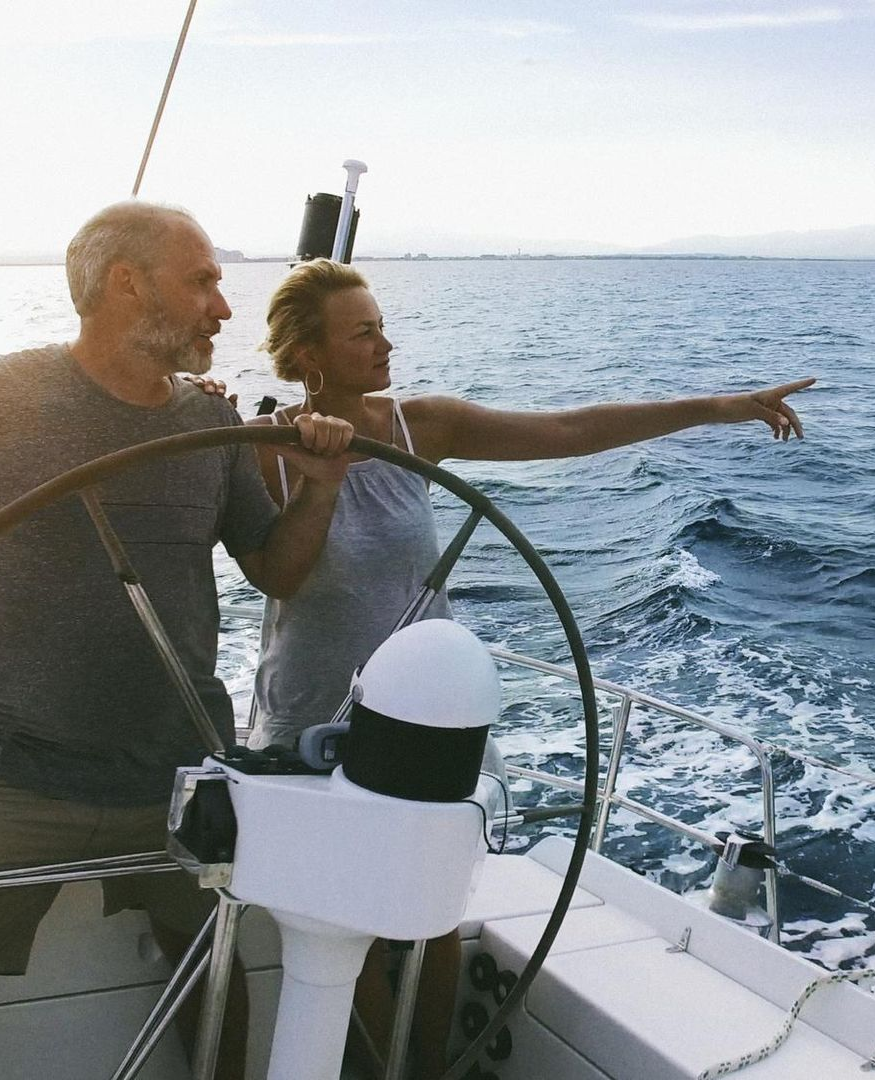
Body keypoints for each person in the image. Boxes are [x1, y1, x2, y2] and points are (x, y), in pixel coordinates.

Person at [0, 202, 354, 1080]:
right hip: (14, 776)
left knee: (215, 991)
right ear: (127, 283)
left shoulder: (209, 424)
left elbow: (275, 571)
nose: (223, 309)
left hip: (180, 773)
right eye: (202, 281)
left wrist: (317, 489)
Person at [239, 256, 814, 1079]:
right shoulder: (263, 450)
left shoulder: (418, 427)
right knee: (339, 925)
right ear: (310, 354)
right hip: (307, 719)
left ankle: (425, 1069)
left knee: (432, 919)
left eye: (381, 324)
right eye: (363, 332)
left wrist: (717, 408)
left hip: (426, 719)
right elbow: (273, 574)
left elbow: (568, 431)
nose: (384, 342)